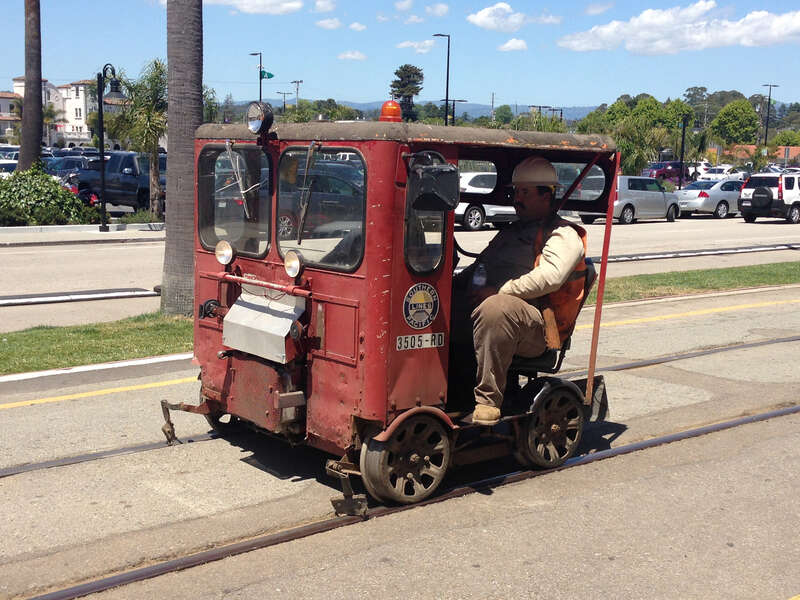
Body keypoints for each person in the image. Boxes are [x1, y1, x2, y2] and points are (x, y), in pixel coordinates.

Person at [451, 157, 588, 426]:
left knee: (496, 309)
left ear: (546, 195)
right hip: (489, 309)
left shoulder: (563, 234)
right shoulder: (511, 232)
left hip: (537, 327)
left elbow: (551, 277)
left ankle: (488, 402)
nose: (517, 199)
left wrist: (500, 291)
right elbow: (480, 266)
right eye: (516, 192)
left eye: (525, 192)